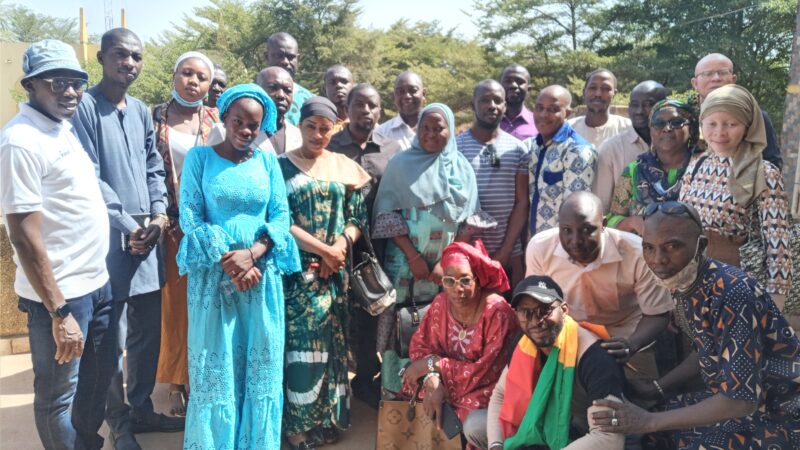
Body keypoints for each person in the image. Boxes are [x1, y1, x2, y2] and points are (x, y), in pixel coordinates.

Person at [592, 201, 800, 449]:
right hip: (744, 403)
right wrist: (658, 389)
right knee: (656, 427)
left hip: (779, 413)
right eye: (649, 247)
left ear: (701, 245)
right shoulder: (690, 284)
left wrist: (648, 421)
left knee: (661, 433)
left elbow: (741, 401)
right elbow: (709, 349)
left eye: (672, 246)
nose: (658, 259)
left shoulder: (732, 294)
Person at [1, 39, 115, 450]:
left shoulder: (61, 126)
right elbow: (23, 235)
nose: (70, 92)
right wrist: (59, 310)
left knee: (97, 383)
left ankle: (85, 443)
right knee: (57, 398)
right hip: (62, 298)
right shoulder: (20, 141)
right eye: (57, 82)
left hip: (97, 285)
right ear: (31, 85)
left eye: (77, 82)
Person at [70, 28, 180, 450]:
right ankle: (118, 422)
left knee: (146, 334)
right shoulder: (84, 109)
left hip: (148, 239)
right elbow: (89, 175)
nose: (129, 63)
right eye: (121, 55)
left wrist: (157, 213)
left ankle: (141, 408)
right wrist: (125, 225)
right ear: (101, 57)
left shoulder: (139, 112)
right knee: (110, 342)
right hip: (108, 242)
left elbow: (154, 165)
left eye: (136, 56)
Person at [177, 83, 300, 449]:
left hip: (261, 279)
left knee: (259, 371)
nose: (246, 131)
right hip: (214, 281)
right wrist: (229, 260)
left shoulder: (267, 162)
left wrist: (255, 253)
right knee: (216, 366)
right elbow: (190, 216)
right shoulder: (199, 159)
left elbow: (280, 216)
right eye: (239, 121)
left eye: (255, 125)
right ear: (225, 118)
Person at [278, 96, 371, 450]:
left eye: (325, 128)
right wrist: (324, 250)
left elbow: (357, 215)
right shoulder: (281, 167)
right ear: (299, 127)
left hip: (336, 275)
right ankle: (297, 429)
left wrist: (342, 246)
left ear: (334, 129)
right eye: (311, 127)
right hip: (298, 278)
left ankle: (327, 421)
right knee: (303, 348)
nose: (318, 135)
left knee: (333, 346)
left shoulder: (343, 165)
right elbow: (279, 221)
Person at [373, 103, 493, 357]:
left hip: (445, 269)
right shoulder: (400, 165)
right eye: (425, 128)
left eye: (438, 128)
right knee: (400, 323)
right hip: (404, 263)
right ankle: (395, 388)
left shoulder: (462, 169)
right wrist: (414, 257)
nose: (431, 134)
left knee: (442, 321)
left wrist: (445, 261)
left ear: (450, 130)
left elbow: (468, 223)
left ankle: (435, 384)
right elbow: (387, 215)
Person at [526, 192, 673, 383]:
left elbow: (657, 314)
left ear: (603, 225)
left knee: (640, 398)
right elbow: (535, 304)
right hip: (568, 334)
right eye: (567, 230)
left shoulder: (638, 253)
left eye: (587, 230)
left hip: (626, 334)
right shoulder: (540, 248)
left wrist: (631, 345)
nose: (576, 240)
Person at [468, 275, 625, 450]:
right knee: (475, 425)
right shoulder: (523, 343)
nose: (536, 321)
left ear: (564, 310)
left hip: (580, 435)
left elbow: (609, 438)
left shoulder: (595, 357)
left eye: (545, 310)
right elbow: (500, 395)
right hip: (536, 429)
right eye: (526, 313)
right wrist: (496, 445)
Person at [679, 84, 791, 310]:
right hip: (696, 288)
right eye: (712, 123)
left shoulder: (765, 173)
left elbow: (778, 243)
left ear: (747, 127)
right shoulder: (696, 166)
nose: (719, 132)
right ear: (702, 124)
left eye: (731, 124)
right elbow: (682, 226)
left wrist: (774, 305)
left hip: (742, 291)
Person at [153, 51, 220, 417]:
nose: (193, 81)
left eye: (201, 77)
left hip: (208, 229)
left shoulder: (216, 121)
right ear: (175, 75)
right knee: (175, 308)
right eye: (186, 73)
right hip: (171, 227)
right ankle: (177, 381)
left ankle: (202, 376)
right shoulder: (154, 118)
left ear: (210, 86)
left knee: (206, 304)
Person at [402, 241, 519, 449]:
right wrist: (432, 378)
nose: (458, 289)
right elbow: (421, 346)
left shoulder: (497, 312)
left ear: (478, 279)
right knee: (420, 390)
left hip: (486, 387)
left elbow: (487, 372)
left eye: (465, 280)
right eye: (449, 281)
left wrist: (435, 364)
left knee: (466, 411)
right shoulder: (440, 303)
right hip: (446, 382)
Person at [327, 83, 397, 408]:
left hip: (378, 247)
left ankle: (367, 381)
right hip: (337, 244)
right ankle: (336, 386)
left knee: (373, 313)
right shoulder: (332, 146)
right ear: (348, 108)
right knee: (339, 316)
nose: (365, 111)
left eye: (372, 105)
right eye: (359, 104)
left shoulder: (391, 148)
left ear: (380, 111)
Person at [457, 79, 529, 288]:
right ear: (473, 105)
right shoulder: (455, 148)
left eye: (498, 100)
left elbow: (521, 202)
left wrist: (505, 251)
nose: (492, 106)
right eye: (485, 100)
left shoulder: (517, 149)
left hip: (509, 255)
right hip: (466, 253)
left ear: (505, 106)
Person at [607, 99, 700, 236]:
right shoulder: (635, 170)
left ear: (691, 129)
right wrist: (633, 223)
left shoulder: (703, 166)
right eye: (658, 123)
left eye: (676, 123)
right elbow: (612, 219)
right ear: (651, 131)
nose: (667, 129)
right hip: (643, 253)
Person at [526, 85, 596, 235]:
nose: (543, 114)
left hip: (559, 247)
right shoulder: (533, 146)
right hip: (532, 245)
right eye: (539, 108)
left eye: (553, 109)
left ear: (568, 113)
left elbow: (576, 213)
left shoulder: (577, 151)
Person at [691, 53, 782, 168]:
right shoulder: (684, 119)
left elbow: (773, 161)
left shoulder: (753, 117)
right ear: (695, 83)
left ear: (733, 80)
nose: (716, 78)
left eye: (723, 72)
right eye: (707, 74)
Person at [594, 81, 669, 211]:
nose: (639, 111)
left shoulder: (676, 145)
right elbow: (601, 206)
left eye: (648, 104)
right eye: (635, 105)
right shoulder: (611, 150)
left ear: (664, 107)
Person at [567, 69, 631, 148]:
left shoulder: (628, 129)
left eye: (606, 88)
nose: (598, 94)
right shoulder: (568, 130)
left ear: (614, 94)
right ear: (584, 92)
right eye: (593, 88)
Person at [267, 32, 313, 126]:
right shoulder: (250, 96)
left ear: (297, 59)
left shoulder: (309, 100)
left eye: (291, 57)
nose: (285, 62)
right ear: (266, 57)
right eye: (278, 56)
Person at [373, 71, 426, 153]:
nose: (407, 96)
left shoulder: (438, 129)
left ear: (424, 94)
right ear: (394, 96)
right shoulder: (381, 133)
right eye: (400, 91)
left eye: (413, 90)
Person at [257, 66, 302, 154]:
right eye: (273, 88)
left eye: (287, 90)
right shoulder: (240, 133)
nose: (281, 95)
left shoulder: (299, 136)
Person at [499, 63, 538, 141]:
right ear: (499, 87)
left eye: (520, 81)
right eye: (507, 81)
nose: (513, 85)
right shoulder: (487, 121)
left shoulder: (538, 122)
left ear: (528, 89)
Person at [324, 64, 353, 134]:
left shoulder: (365, 124)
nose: (338, 85)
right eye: (332, 82)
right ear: (325, 89)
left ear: (353, 87)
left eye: (344, 81)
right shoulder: (315, 124)